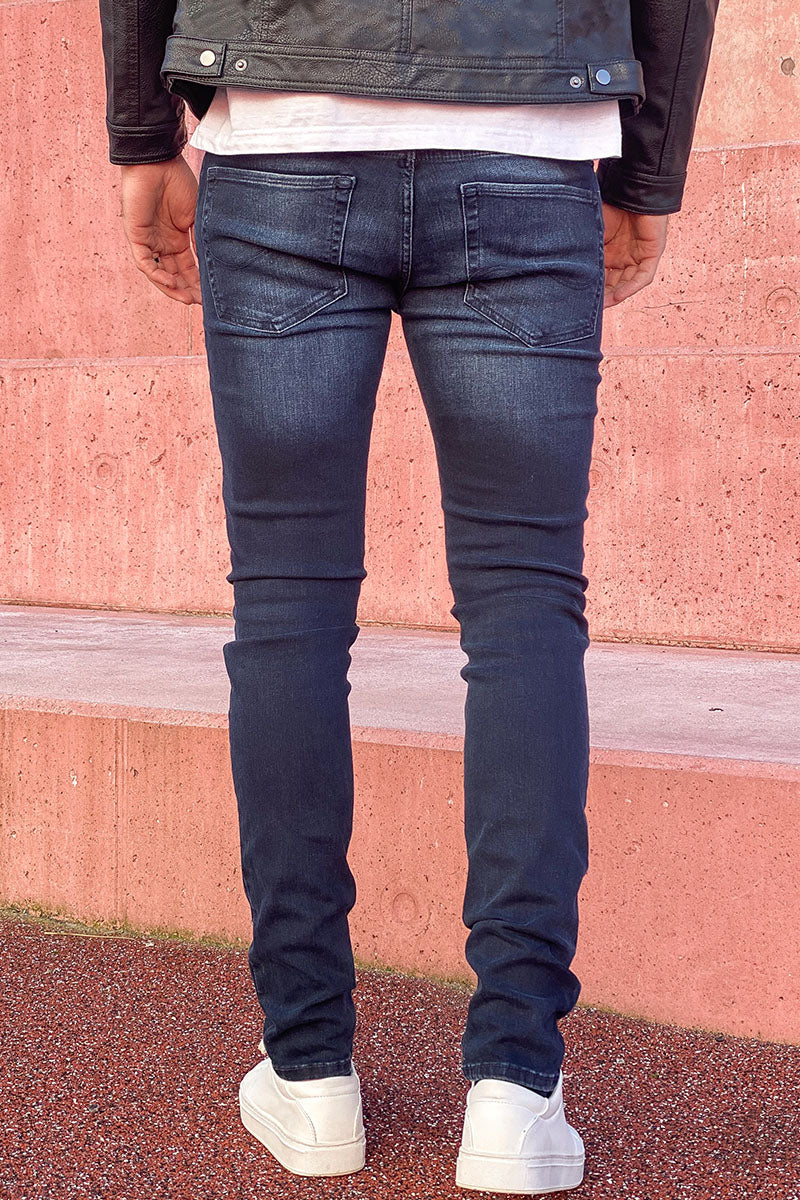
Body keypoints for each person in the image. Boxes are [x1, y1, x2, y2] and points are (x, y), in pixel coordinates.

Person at [97, 0, 719, 1191]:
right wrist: (648, 168)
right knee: (525, 605)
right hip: (526, 139)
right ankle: (514, 1088)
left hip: (279, 132)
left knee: (285, 608)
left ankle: (309, 1072)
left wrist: (140, 131)